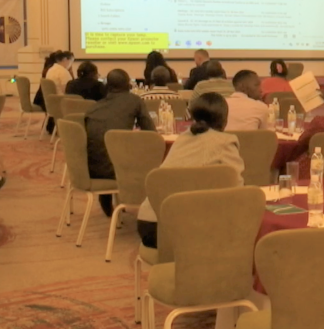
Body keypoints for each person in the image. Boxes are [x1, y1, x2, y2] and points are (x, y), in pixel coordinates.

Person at [134, 92, 244, 248]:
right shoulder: (225, 142)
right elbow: (237, 187)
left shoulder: (182, 138)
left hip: (148, 223)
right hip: (180, 229)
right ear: (225, 119)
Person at [84, 69, 156, 216]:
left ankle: (108, 200)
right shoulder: (134, 101)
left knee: (108, 149)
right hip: (119, 169)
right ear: (128, 84)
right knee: (152, 159)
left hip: (92, 168)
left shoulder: (93, 108)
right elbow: (151, 134)